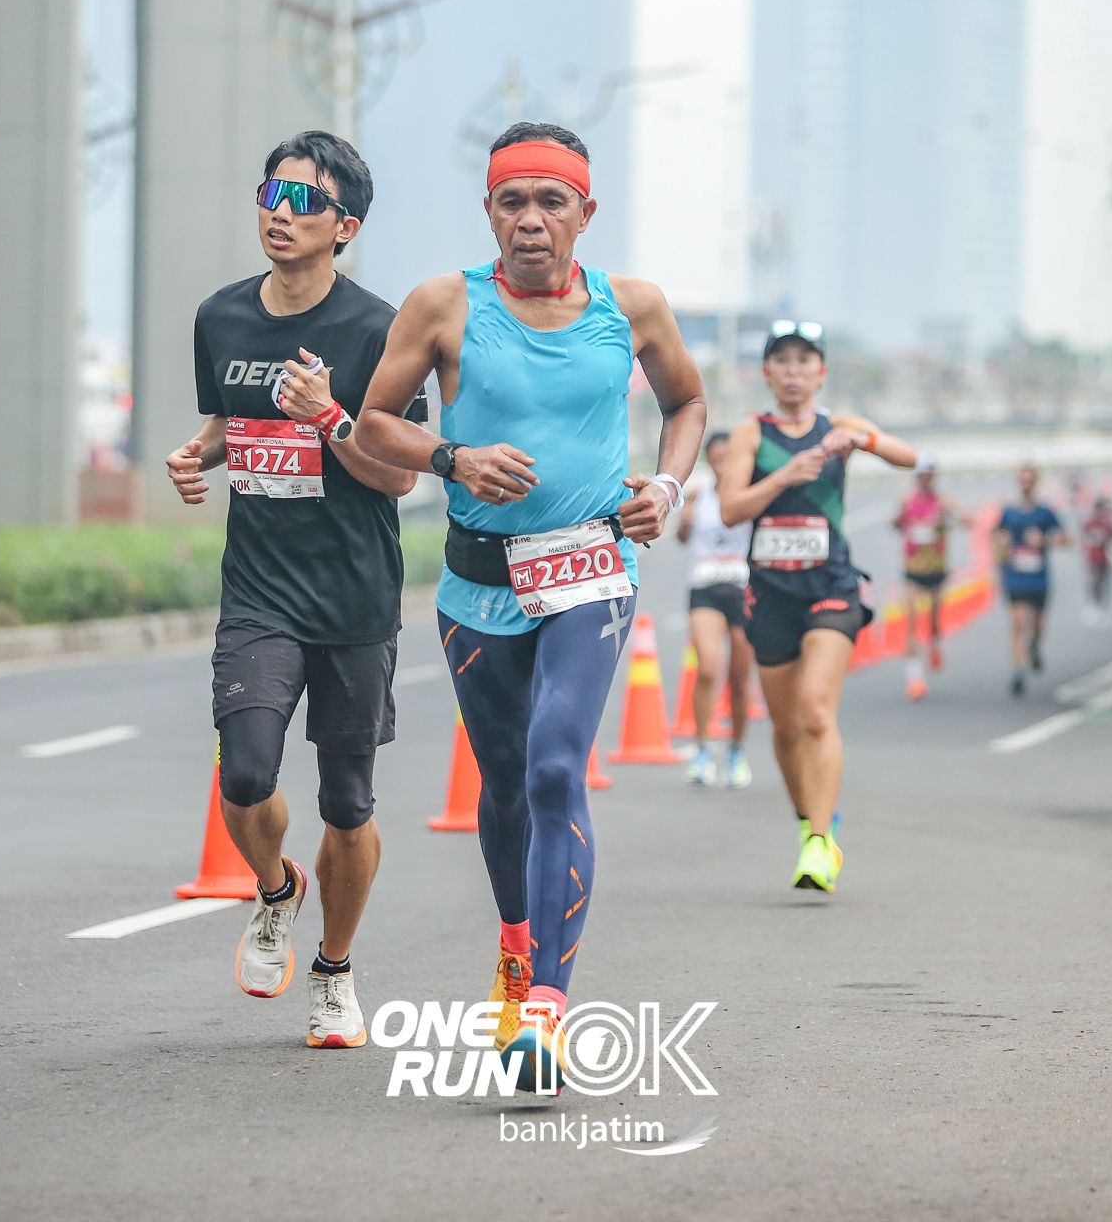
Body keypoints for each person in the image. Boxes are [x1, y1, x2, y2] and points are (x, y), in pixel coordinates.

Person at [357, 122, 706, 1092]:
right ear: (489, 213)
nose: (531, 220)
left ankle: (546, 1007)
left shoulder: (632, 307)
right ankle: (517, 944)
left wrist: (667, 487)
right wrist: (453, 458)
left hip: (592, 569)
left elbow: (686, 403)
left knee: (557, 764)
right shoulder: (444, 304)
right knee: (506, 784)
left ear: (585, 213)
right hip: (478, 584)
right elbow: (373, 420)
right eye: (512, 201)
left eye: (552, 201)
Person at [164, 132, 427, 1050]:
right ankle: (276, 889)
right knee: (245, 774)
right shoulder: (221, 317)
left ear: (344, 226)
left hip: (354, 599)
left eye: (305, 200)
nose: (280, 211)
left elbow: (399, 478)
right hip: (259, 594)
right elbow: (232, 422)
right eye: (271, 193)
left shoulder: (379, 331)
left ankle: (334, 971)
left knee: (347, 804)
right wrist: (196, 454)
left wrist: (331, 417)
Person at [717, 321, 916, 892]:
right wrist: (784, 475)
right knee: (784, 728)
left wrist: (862, 441)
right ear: (766, 372)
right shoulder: (751, 434)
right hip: (771, 592)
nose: (794, 371)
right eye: (782, 361)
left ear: (821, 372)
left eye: (805, 361)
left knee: (816, 710)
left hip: (832, 585)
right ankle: (810, 824)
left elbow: (909, 456)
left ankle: (822, 843)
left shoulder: (839, 426)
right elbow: (731, 510)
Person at [676, 431, 757, 786]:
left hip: (743, 588)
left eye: (728, 457)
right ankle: (702, 751)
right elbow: (682, 539)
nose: (722, 463)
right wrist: (684, 523)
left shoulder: (750, 492)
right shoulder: (698, 493)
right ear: (708, 460)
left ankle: (737, 750)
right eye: (716, 457)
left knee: (739, 677)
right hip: (705, 586)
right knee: (708, 666)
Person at [891, 455, 968, 701]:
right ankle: (915, 679)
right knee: (911, 622)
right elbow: (894, 524)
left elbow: (968, 520)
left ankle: (934, 643)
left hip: (936, 569)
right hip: (913, 569)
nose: (925, 479)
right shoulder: (907, 500)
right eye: (921, 476)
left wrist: (946, 519)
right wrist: (901, 518)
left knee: (934, 620)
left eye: (929, 475)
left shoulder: (944, 501)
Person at [994, 464, 1068, 697]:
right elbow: (996, 540)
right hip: (1015, 577)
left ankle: (1034, 645)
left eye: (1030, 480)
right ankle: (1018, 672)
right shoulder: (1009, 513)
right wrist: (1002, 546)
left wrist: (1044, 540)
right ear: (1019, 483)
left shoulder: (1045, 512)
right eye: (1022, 480)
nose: (1026, 484)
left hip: (1038, 579)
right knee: (1017, 625)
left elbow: (1065, 539)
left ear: (1035, 483)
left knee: (1036, 625)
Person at [1081, 495, 1112, 625]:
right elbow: (1083, 537)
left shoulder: (1107, 523)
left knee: (1103, 583)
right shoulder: (1090, 522)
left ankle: (1101, 607)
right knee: (1094, 582)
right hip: (1093, 557)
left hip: (1104, 558)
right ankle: (1093, 606)